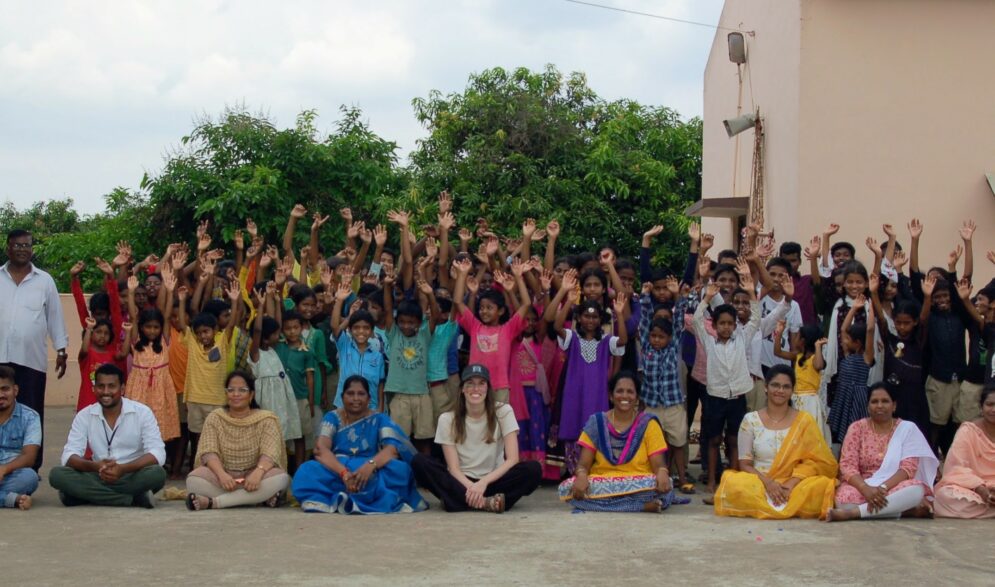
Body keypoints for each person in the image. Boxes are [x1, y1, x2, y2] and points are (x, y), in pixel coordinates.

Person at [713, 365, 839, 519]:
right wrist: (768, 483)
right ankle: (785, 503)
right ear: (766, 387)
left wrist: (791, 483)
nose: (780, 390)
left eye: (786, 387)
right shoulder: (751, 420)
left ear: (792, 391)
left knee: (821, 485)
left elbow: (818, 462)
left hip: (794, 483)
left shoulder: (804, 421)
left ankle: (777, 501)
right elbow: (744, 465)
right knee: (734, 482)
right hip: (760, 482)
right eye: (775, 385)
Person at [412, 364, 542, 512]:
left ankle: (458, 501)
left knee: (533, 470)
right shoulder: (447, 419)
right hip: (462, 481)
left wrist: (483, 483)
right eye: (470, 384)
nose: (476, 389)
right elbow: (454, 469)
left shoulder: (503, 411)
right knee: (420, 462)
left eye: (481, 384)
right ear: (462, 389)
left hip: (493, 480)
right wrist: (472, 487)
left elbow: (512, 459)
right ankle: (486, 503)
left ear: (488, 388)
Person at [292, 375, 427, 514]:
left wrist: (370, 465)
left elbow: (392, 449)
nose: (356, 398)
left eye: (361, 394)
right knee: (305, 471)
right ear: (342, 397)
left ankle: (341, 496)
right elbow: (321, 449)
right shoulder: (333, 417)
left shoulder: (379, 418)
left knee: (401, 470)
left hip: (369, 471)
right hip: (339, 470)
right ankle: (364, 495)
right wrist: (344, 473)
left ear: (369, 398)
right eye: (350, 394)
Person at [49, 364, 166, 508]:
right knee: (57, 475)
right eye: (101, 386)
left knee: (157, 474)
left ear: (122, 389)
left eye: (112, 386)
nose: (106, 392)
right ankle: (132, 500)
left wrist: (122, 469)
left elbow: (157, 453)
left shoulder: (142, 412)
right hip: (97, 474)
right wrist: (95, 466)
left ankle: (83, 496)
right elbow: (68, 455)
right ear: (94, 388)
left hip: (132, 474)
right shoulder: (85, 415)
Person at [0, 229, 70, 469]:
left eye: (26, 245)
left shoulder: (44, 281)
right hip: (0, 358)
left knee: (31, 412)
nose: (22, 249)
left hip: (31, 360)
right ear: (8, 248)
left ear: (32, 249)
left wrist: (61, 349)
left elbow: (55, 317)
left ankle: (31, 465)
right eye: (17, 245)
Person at [558, 371, 675, 512]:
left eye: (630, 392)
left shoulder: (648, 424)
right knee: (568, 489)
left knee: (664, 486)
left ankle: (611, 506)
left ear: (637, 398)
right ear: (611, 396)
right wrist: (582, 476)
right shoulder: (596, 423)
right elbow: (583, 465)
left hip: (640, 485)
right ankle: (641, 506)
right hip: (603, 484)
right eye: (619, 391)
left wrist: (662, 473)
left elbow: (659, 465)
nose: (624, 396)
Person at [693, 259, 759, 494]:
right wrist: (708, 298)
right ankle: (712, 479)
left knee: (733, 440)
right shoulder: (709, 342)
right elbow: (698, 319)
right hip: (715, 397)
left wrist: (751, 292)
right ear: (716, 325)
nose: (726, 327)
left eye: (730, 324)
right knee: (712, 440)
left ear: (734, 325)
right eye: (722, 323)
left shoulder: (742, 338)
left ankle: (732, 480)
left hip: (737, 397)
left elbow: (756, 319)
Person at [827, 383, 937, 521]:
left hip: (893, 486)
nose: (879, 405)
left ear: (894, 405)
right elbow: (847, 466)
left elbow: (908, 468)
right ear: (868, 406)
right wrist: (865, 489)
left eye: (885, 401)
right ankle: (904, 512)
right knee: (844, 501)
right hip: (863, 485)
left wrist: (883, 488)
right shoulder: (857, 428)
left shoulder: (907, 429)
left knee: (916, 489)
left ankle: (853, 514)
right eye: (874, 401)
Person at [184, 370, 289, 510]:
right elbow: (208, 452)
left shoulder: (266, 419)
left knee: (281, 478)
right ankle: (258, 498)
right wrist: (222, 475)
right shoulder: (215, 417)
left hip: (256, 477)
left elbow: (270, 453)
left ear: (251, 395)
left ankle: (212, 503)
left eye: (242, 390)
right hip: (223, 478)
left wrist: (258, 473)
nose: (236, 394)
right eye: (231, 390)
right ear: (226, 394)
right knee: (193, 480)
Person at [933, 386, 995, 518]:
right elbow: (956, 467)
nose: (993, 410)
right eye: (989, 404)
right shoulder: (968, 431)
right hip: (974, 488)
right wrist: (980, 488)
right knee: (944, 496)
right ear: (981, 407)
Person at [0, 366, 41, 509]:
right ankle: (11, 499)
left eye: (5, 389)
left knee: (29, 478)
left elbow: (29, 457)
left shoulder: (31, 417)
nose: (1, 395)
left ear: (15, 390)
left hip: (11, 474)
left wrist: (3, 469)